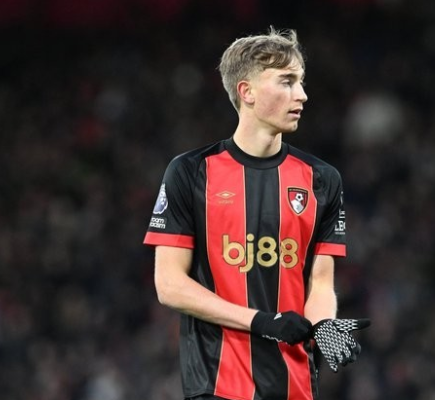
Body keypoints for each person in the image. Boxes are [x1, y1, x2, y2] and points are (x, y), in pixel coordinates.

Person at [143, 28, 369, 400]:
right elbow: (169, 284)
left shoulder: (322, 179)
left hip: (296, 385)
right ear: (246, 92)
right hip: (216, 385)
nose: (302, 94)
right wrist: (261, 322)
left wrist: (323, 325)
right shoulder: (190, 172)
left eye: (301, 82)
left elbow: (320, 284)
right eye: (287, 81)